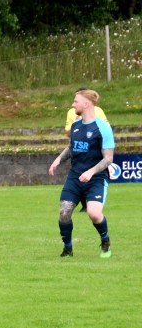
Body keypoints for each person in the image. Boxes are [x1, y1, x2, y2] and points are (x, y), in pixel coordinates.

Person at [48, 89, 114, 258]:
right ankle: (68, 249)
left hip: (96, 179)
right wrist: (58, 159)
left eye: (76, 101)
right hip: (75, 177)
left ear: (86, 104)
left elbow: (108, 158)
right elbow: (71, 147)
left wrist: (91, 172)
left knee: (94, 214)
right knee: (64, 213)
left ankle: (105, 240)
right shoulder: (76, 125)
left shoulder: (103, 128)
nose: (73, 104)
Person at [64, 87, 109, 213]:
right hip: (79, 148)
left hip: (94, 149)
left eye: (76, 100)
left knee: (92, 175)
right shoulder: (71, 112)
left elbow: (106, 126)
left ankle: (92, 202)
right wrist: (77, 125)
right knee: (78, 175)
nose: (74, 104)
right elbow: (67, 132)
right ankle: (84, 204)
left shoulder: (98, 110)